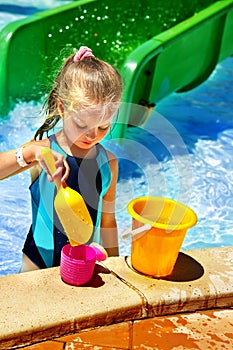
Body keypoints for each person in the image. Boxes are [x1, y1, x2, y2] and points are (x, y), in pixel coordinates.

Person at [0, 46, 123, 272]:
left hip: (84, 263)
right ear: (62, 109)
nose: (92, 135)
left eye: (103, 126)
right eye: (82, 124)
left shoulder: (109, 163)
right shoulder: (42, 151)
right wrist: (30, 154)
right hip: (37, 263)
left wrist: (116, 270)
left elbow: (107, 222)